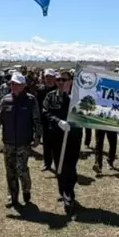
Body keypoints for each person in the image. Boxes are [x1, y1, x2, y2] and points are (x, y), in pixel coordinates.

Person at [0, 72, 42, 207]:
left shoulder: (31, 100)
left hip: (24, 142)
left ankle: (26, 189)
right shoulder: (5, 100)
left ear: (23, 85)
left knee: (22, 169)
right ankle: (12, 197)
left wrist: (37, 136)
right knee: (10, 170)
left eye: (17, 84)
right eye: (12, 83)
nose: (13, 86)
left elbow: (37, 120)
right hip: (9, 141)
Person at [44, 70, 84, 214]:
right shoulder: (51, 96)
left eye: (64, 80)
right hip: (56, 136)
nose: (60, 82)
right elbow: (45, 111)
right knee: (59, 166)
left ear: (70, 81)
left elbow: (85, 114)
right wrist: (58, 121)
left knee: (71, 166)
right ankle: (64, 192)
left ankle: (69, 195)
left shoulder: (78, 97)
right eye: (58, 80)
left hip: (73, 137)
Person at [37, 70, 59, 172]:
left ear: (54, 78)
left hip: (56, 120)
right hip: (44, 120)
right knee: (46, 143)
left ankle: (58, 163)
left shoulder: (58, 90)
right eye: (47, 77)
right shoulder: (40, 90)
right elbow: (38, 105)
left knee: (56, 143)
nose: (49, 79)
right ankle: (47, 163)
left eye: (51, 77)